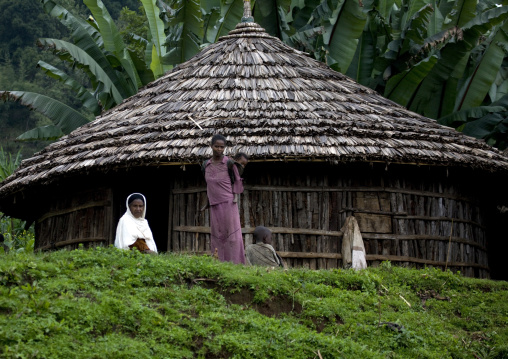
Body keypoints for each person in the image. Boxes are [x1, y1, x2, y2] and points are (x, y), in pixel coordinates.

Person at [203, 134, 245, 264]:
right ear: (211, 146)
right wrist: (207, 203)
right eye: (216, 146)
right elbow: (209, 186)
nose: (219, 149)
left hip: (228, 203)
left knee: (232, 236)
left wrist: (234, 198)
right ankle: (219, 262)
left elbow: (238, 181)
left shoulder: (229, 163)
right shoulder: (206, 165)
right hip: (214, 205)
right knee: (217, 235)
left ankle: (236, 263)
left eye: (222, 147)